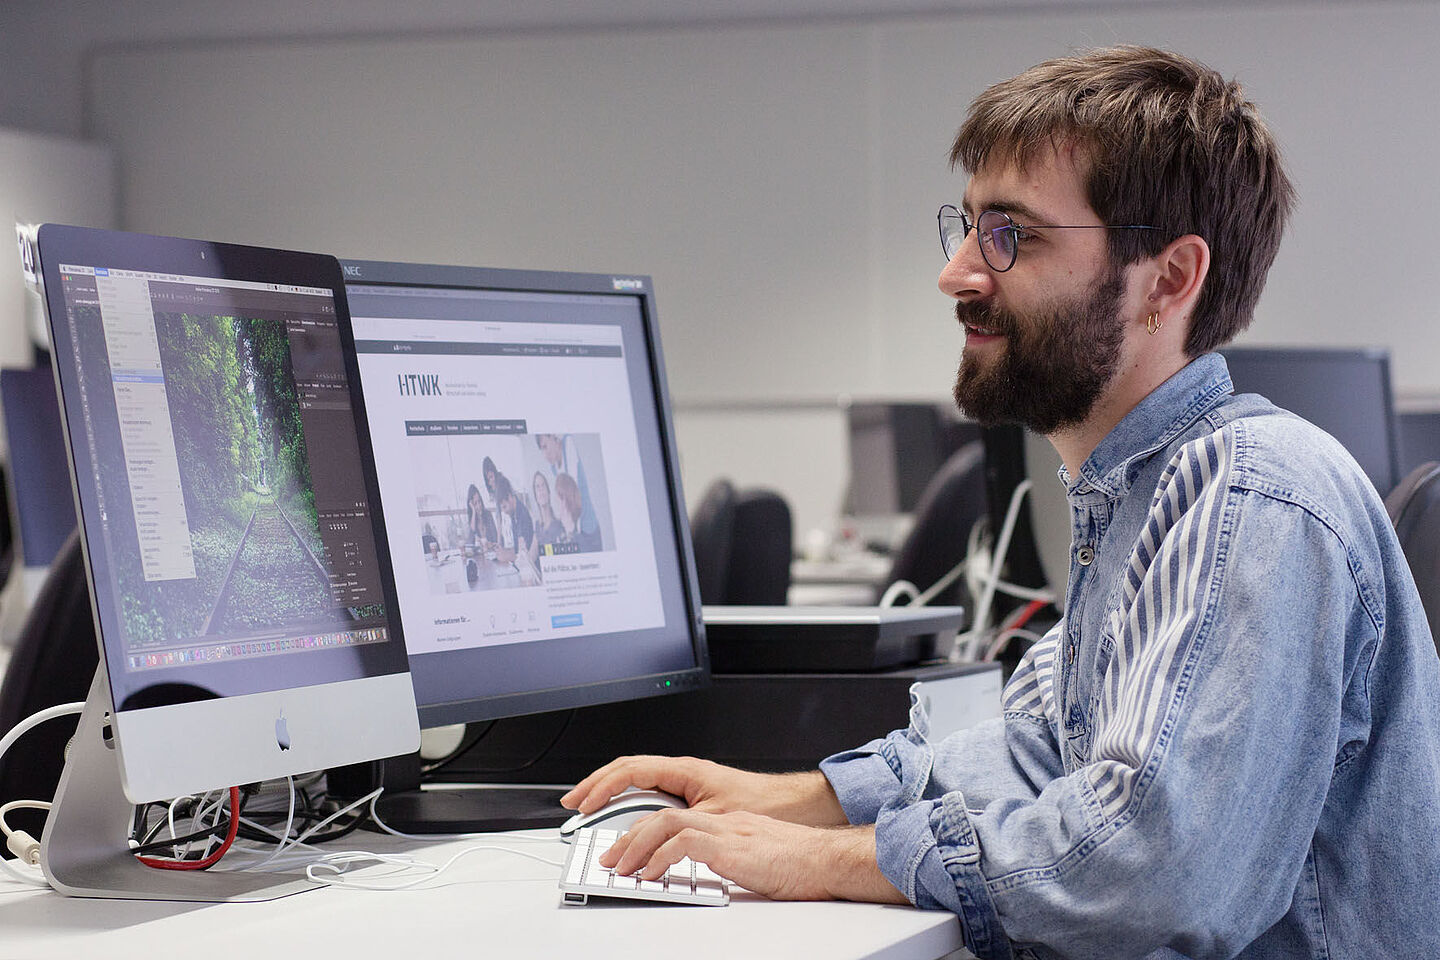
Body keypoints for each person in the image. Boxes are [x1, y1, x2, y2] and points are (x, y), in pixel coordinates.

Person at [561, 46, 1440, 957]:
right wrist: (797, 799)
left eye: (1012, 233)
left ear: (1169, 279)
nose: (958, 273)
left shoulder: (1255, 496)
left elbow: (1147, 869)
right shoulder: (1136, 496)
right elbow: (1038, 754)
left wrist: (823, 858)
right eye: (969, 225)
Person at [493, 472, 536, 569]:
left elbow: (524, 554)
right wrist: (504, 551)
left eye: (504, 507)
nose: (504, 512)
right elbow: (517, 548)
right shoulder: (514, 514)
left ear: (509, 497)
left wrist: (506, 555)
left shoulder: (522, 515)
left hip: (530, 569)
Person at [532, 470, 565, 551]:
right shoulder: (537, 526)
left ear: (549, 493)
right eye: (537, 487)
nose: (541, 490)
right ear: (535, 496)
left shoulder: (559, 523)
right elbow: (531, 556)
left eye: (543, 486)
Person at [464, 482, 496, 549]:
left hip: (491, 553)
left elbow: (495, 538)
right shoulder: (472, 520)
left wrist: (491, 544)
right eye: (475, 503)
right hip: (479, 556)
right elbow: (469, 544)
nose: (479, 506)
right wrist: (473, 511)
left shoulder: (488, 515)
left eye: (479, 501)